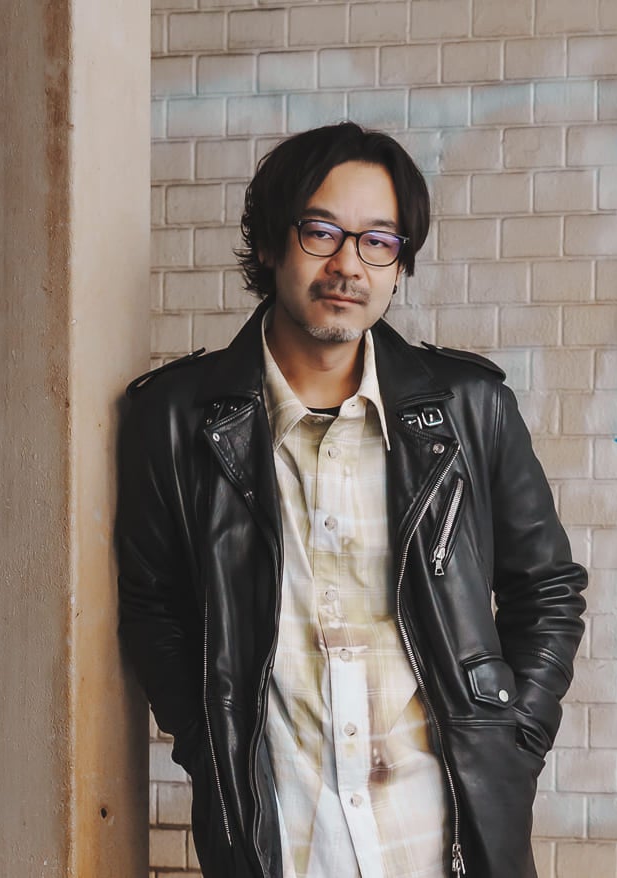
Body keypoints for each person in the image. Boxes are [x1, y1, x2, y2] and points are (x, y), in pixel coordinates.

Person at [117, 122, 587, 878]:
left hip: (444, 837)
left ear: (399, 265)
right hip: (280, 839)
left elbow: (548, 590)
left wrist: (512, 739)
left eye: (378, 242)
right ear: (270, 245)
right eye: (321, 232)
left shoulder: (469, 409)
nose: (347, 265)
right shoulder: (174, 421)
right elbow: (152, 606)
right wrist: (209, 744)